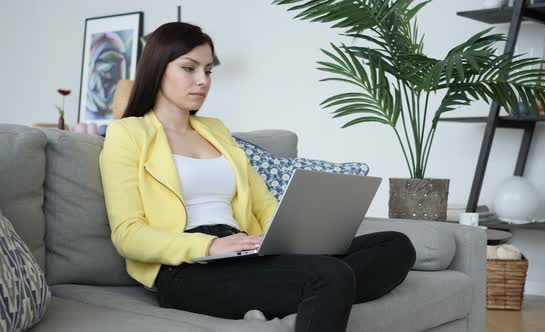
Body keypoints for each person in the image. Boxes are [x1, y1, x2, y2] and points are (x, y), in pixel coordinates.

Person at [99, 22, 416, 332]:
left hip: (246, 249)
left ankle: (300, 293)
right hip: (187, 268)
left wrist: (292, 242)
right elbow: (128, 234)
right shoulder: (128, 134)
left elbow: (264, 204)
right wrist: (210, 246)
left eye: (208, 70)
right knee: (331, 275)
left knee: (395, 245)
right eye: (189, 68)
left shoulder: (216, 130)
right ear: (157, 68)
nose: (203, 80)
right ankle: (315, 289)